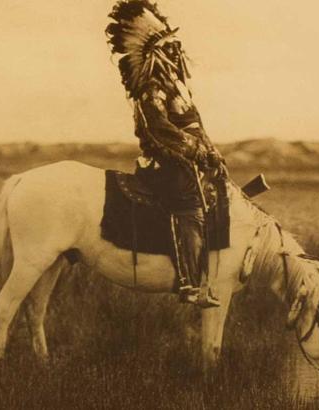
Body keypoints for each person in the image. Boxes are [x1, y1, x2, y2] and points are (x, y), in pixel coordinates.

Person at [106, 0, 227, 307]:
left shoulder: (178, 86)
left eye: (176, 45)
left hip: (188, 159)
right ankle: (190, 284)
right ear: (156, 53)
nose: (176, 51)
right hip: (165, 163)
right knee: (188, 203)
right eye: (169, 46)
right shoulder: (151, 88)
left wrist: (212, 153)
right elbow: (159, 129)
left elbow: (195, 124)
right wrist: (196, 150)